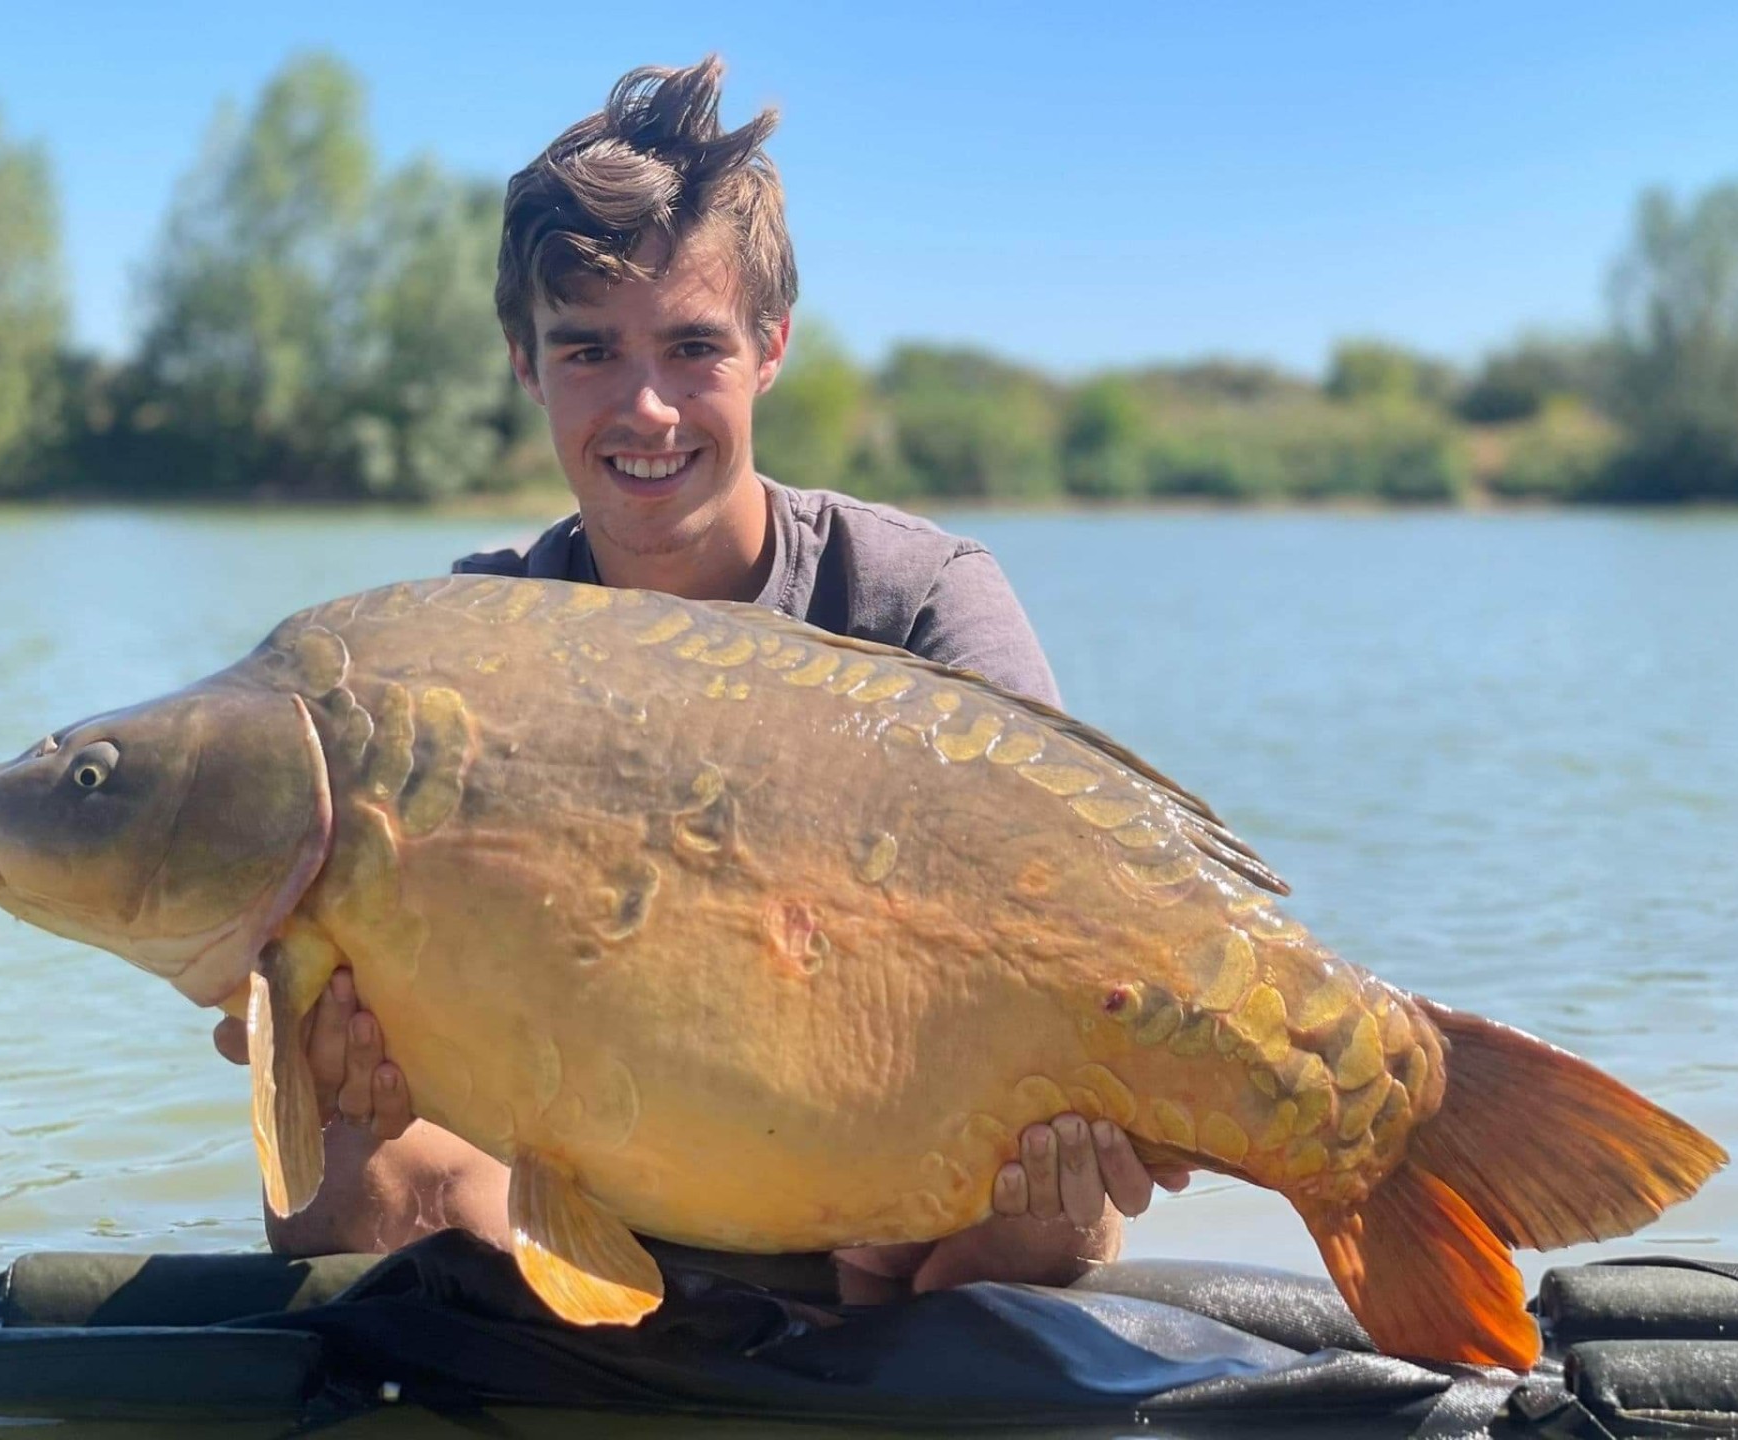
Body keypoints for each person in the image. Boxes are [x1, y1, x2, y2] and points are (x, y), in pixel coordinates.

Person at [214, 56, 1185, 1301]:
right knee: (335, 1165)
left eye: (692, 346)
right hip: (586, 1174)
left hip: (887, 1179)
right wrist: (319, 1044)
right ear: (525, 363)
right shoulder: (470, 638)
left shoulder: (919, 596)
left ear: (771, 346)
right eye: (589, 353)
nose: (649, 408)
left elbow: (1084, 898)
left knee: (1051, 1211)